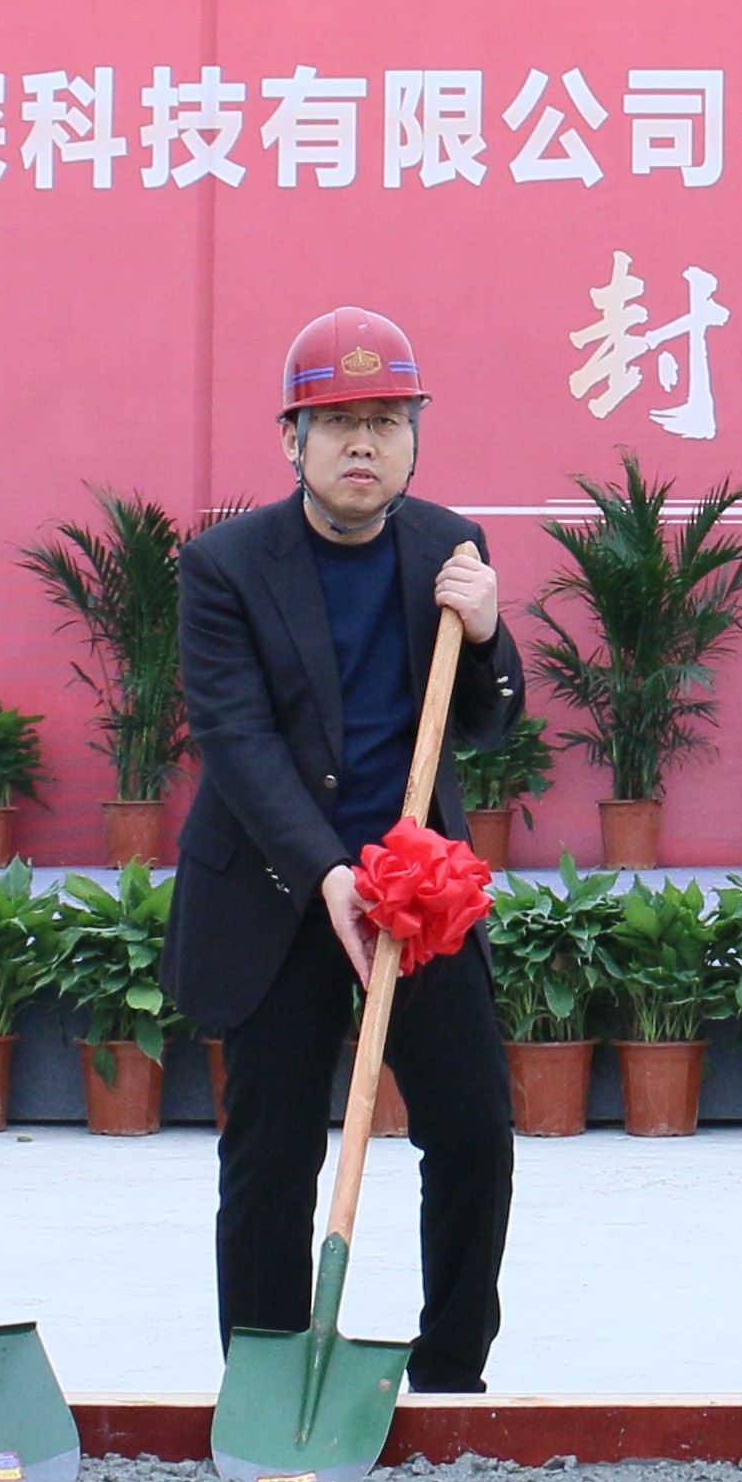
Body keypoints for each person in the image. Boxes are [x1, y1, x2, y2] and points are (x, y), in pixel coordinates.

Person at [163, 308, 529, 1386]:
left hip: (422, 895)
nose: (362, 444)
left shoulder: (450, 546)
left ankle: (451, 1372)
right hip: (280, 896)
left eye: (385, 421)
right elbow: (235, 740)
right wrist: (327, 872)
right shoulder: (226, 566)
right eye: (336, 423)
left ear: (415, 435)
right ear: (292, 439)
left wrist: (490, 631)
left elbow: (486, 724)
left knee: (474, 1131)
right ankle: (271, 1383)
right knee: (272, 1155)